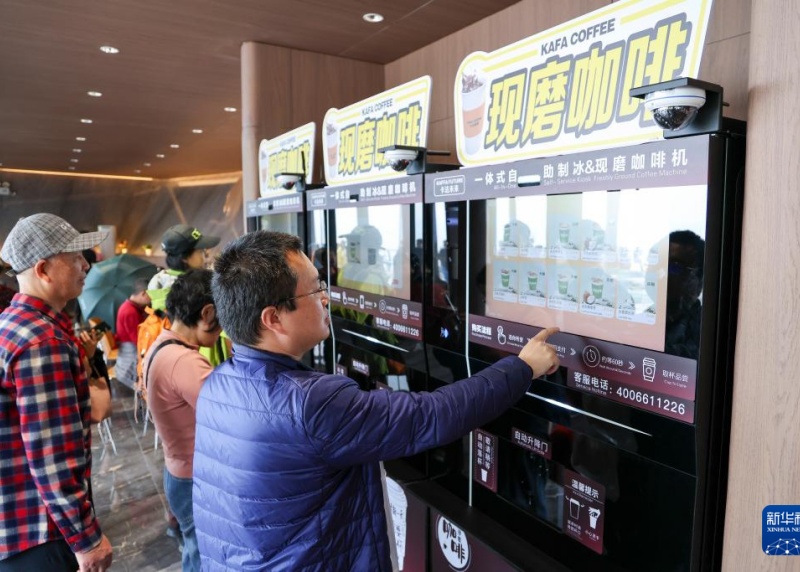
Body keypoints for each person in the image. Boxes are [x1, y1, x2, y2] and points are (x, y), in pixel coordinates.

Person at [192, 230, 560, 571]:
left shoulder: (217, 385)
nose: (326, 297)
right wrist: (523, 367)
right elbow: (431, 416)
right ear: (273, 318)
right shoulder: (310, 404)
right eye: (314, 289)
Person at [0, 213, 113, 572]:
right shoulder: (42, 342)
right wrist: (86, 538)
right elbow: (53, 457)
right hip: (41, 533)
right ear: (44, 270)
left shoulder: (13, 324)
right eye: (75, 257)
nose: (86, 264)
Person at [144, 269, 221, 572]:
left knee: (193, 549)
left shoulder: (163, 345)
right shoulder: (184, 361)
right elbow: (229, 412)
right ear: (207, 312)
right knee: (203, 557)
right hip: (193, 477)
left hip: (177, 471)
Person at [147, 224, 221, 311]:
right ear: (185, 258)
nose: (203, 256)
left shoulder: (158, 281)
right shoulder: (190, 288)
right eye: (200, 251)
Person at [114, 277, 151, 389]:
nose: (151, 300)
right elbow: (138, 340)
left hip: (129, 344)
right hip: (130, 350)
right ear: (144, 293)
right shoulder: (130, 312)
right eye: (151, 296)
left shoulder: (132, 306)